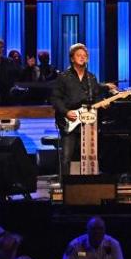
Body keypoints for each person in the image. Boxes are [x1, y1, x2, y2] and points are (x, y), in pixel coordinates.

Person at [51, 44, 117, 182]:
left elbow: (96, 97)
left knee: (89, 157)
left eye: (84, 56)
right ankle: (65, 189)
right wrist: (66, 112)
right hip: (69, 122)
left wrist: (102, 103)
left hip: (88, 123)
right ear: (72, 58)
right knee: (66, 157)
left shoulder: (91, 78)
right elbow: (55, 99)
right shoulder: (63, 77)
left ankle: (87, 187)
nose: (82, 58)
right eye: (79, 55)